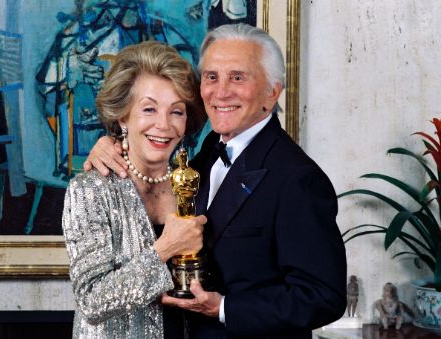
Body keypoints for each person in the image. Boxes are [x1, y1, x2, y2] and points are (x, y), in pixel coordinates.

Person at [84, 24, 347, 338]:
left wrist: (225, 308)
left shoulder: (298, 178)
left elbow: (323, 297)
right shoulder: (209, 150)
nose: (221, 92)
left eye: (237, 77)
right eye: (211, 76)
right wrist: (113, 143)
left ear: (271, 92)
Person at [62, 41, 207, 338]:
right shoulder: (90, 190)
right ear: (122, 116)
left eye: (176, 112)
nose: (163, 125)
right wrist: (165, 248)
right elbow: (92, 299)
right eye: (149, 109)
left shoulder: (197, 182)